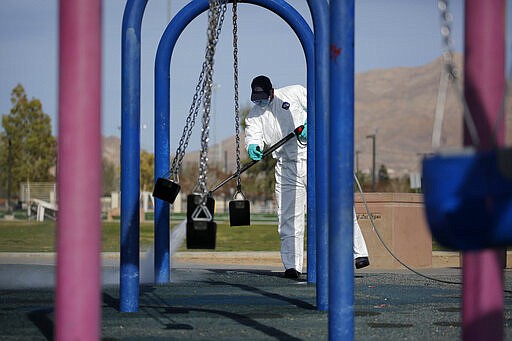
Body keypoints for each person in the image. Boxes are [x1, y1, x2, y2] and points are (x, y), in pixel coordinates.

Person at [244, 75, 369, 279]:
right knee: (288, 216)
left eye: (262, 97)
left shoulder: (294, 92)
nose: (260, 101)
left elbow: (322, 109)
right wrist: (253, 146)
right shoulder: (255, 115)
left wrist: (312, 126)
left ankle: (359, 253)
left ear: (271, 91)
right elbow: (253, 133)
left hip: (313, 159)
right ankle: (292, 265)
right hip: (286, 167)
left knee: (336, 205)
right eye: (256, 98)